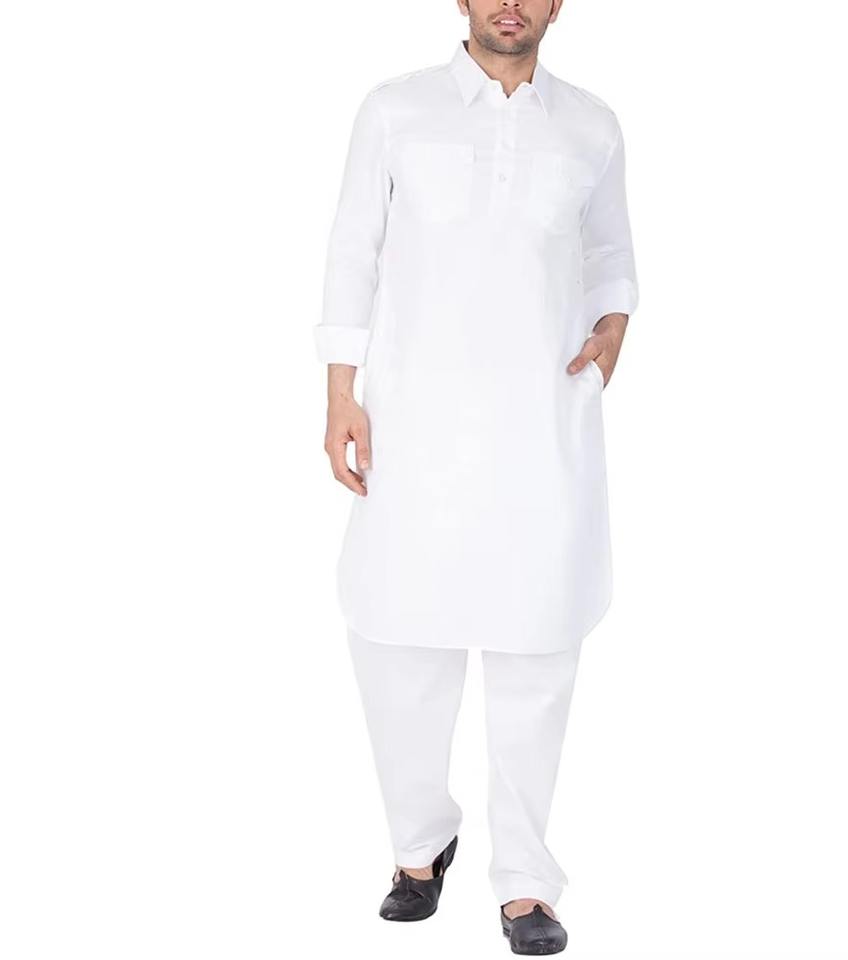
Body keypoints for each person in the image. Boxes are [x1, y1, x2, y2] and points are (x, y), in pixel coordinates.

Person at [314, 2, 637, 954]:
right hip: (415, 426)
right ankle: (419, 849)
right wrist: (340, 393)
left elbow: (611, 249)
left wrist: (614, 324)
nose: (511, 2)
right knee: (401, 640)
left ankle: (526, 881)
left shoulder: (591, 125)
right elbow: (351, 250)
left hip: (540, 428)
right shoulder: (395, 110)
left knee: (537, 648)